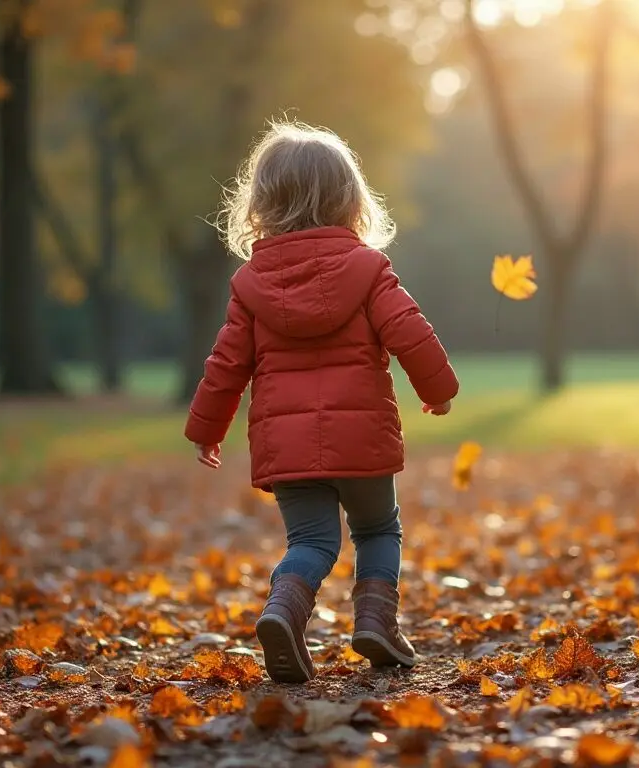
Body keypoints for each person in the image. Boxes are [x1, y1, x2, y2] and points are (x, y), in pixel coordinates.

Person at [184, 121, 459, 684]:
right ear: (350, 201)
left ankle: (282, 611)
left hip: (287, 447)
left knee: (310, 540)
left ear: (261, 205)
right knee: (378, 530)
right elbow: (411, 332)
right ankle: (376, 621)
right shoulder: (368, 270)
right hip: (363, 442)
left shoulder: (250, 286)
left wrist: (206, 429)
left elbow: (226, 364)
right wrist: (438, 392)